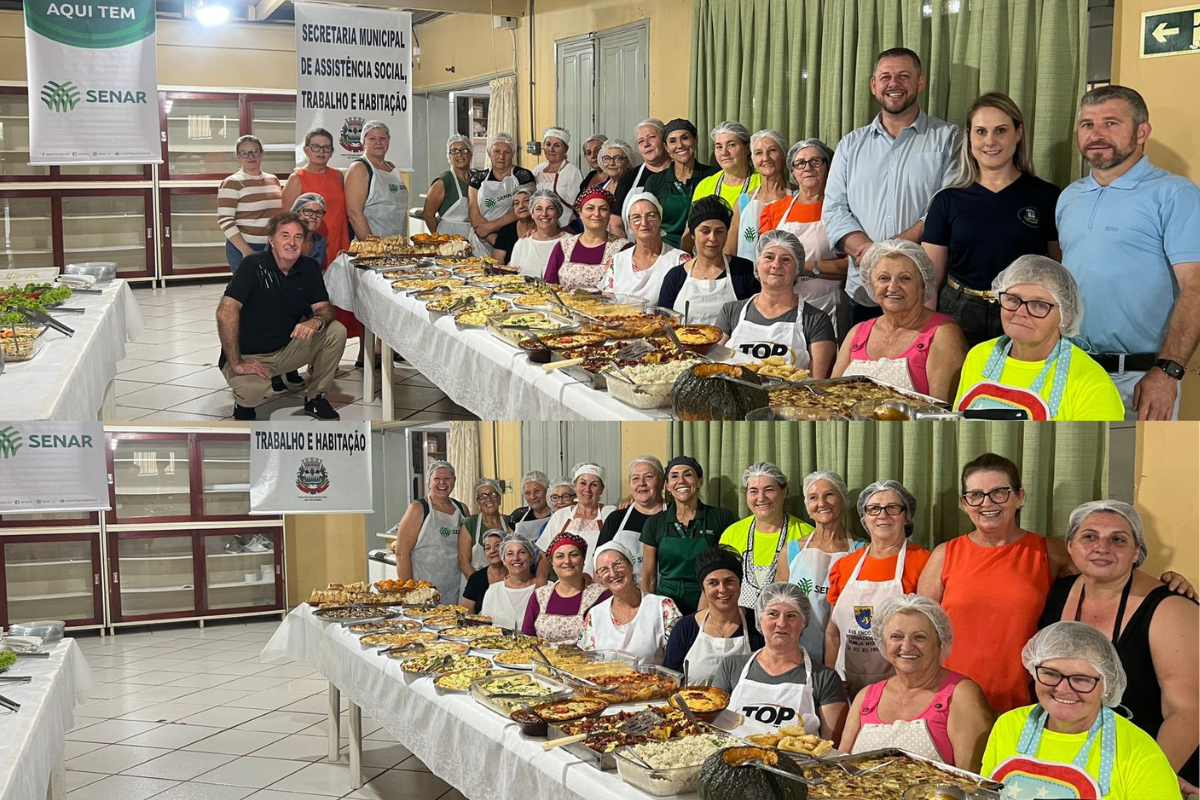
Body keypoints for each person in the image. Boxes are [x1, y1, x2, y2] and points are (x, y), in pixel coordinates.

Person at [1056, 86, 1200, 421]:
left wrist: (1168, 372)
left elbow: (1195, 286)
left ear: (1142, 132)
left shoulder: (1175, 194)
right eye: (1087, 124)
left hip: (1141, 379)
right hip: (1071, 372)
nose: (1096, 134)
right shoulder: (1069, 197)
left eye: (1111, 123)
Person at [1038, 501, 1199, 792]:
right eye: (1089, 536)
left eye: (1118, 539)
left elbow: (1188, 711)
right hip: (1078, 766)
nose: (1102, 547)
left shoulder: (1171, 608)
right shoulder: (1061, 591)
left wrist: (1150, 778)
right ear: (1071, 546)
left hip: (1150, 765)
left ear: (1137, 552)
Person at [822, 47, 960, 325]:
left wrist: (884, 253)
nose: (893, 84)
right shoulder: (850, 144)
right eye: (885, 77)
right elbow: (834, 209)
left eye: (904, 76)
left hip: (921, 291)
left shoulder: (948, 138)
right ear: (874, 85)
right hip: (863, 292)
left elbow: (946, 208)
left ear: (920, 82)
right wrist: (868, 252)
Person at [922, 93, 1062, 346]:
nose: (990, 141)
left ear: (1018, 133)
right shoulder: (946, 200)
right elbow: (930, 281)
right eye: (981, 131)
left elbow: (1058, 273)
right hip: (958, 312)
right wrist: (925, 338)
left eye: (1000, 131)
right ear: (969, 137)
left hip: (1024, 314)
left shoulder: (1047, 197)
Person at [981, 622, 1180, 799]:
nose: (1062, 689)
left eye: (1081, 679)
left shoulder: (1139, 750)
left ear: (1106, 685)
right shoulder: (1009, 725)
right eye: (1051, 674)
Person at [954, 256, 1124, 420]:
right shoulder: (979, 356)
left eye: (1039, 305)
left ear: (1066, 315)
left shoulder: (1092, 382)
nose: (1021, 312)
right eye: (1013, 299)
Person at [216, 212, 346, 421]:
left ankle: (316, 398)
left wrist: (315, 321)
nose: (292, 243)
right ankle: (243, 403)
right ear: (271, 240)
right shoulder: (252, 265)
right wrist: (236, 361)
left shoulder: (309, 267)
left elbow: (325, 308)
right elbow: (225, 312)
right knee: (252, 393)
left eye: (297, 237)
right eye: (285, 235)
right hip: (251, 355)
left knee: (335, 331)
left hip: (287, 349)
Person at [839, 594, 993, 770]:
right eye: (896, 636)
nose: (906, 646)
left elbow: (972, 779)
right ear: (883, 642)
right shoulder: (866, 696)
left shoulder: (961, 694)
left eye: (919, 637)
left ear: (939, 643)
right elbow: (840, 767)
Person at [825, 480, 932, 697]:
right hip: (846, 684)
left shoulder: (924, 563)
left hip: (903, 687)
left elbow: (930, 635)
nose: (882, 515)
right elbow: (833, 632)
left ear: (906, 516)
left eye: (892, 508)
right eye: (874, 508)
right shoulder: (844, 566)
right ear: (864, 517)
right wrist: (830, 681)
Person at [833, 239, 967, 402]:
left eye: (905, 278)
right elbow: (831, 396)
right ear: (871, 284)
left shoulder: (942, 333)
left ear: (923, 285)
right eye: (884, 278)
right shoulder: (857, 333)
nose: (893, 287)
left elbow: (942, 411)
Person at [713, 583, 849, 739]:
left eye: (791, 616)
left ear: (803, 622)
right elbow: (711, 727)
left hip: (794, 756)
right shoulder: (732, 667)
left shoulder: (825, 678)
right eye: (773, 614)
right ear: (760, 618)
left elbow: (831, 746)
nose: (782, 623)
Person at [760, 139, 851, 340]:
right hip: (783, 307)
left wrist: (807, 267)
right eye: (800, 163)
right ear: (793, 171)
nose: (808, 167)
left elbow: (854, 264)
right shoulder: (775, 210)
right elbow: (763, 263)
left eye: (815, 161)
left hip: (828, 305)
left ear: (828, 167)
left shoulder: (842, 210)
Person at [716, 229, 837, 377]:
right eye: (769, 257)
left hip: (791, 392)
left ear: (798, 268)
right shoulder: (731, 311)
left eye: (786, 259)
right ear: (757, 264)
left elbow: (817, 383)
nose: (776, 264)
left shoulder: (816, 320)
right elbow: (711, 365)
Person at [776, 471, 866, 662]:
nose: (822, 503)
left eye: (829, 495)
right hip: (798, 652)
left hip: (848, 654)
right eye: (813, 497)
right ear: (807, 506)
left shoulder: (863, 551)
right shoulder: (791, 551)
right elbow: (778, 603)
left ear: (843, 500)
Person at [641, 456, 737, 615]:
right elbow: (648, 577)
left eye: (688, 474)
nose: (681, 481)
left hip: (709, 601)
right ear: (668, 485)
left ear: (699, 481)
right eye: (674, 476)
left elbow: (730, 570)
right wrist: (646, 612)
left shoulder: (720, 518)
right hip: (665, 605)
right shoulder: (655, 523)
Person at [663, 546, 765, 682]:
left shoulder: (758, 625)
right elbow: (669, 682)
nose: (722, 589)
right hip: (692, 696)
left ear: (740, 584)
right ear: (703, 589)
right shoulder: (685, 629)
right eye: (713, 583)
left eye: (729, 581)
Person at [719, 461, 813, 608]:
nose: (761, 498)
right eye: (753, 491)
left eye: (769, 490)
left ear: (784, 491)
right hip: (738, 618)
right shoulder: (732, 533)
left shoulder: (807, 534)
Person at [656, 196, 760, 325]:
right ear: (693, 234)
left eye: (719, 231)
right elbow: (664, 326)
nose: (712, 238)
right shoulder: (675, 277)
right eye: (705, 231)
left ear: (727, 233)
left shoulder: (745, 272)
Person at [581, 542, 681, 664]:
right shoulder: (594, 615)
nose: (613, 573)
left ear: (631, 565)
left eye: (618, 564)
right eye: (604, 569)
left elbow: (677, 659)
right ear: (600, 578)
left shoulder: (663, 607)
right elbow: (588, 663)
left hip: (652, 677)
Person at [394, 461, 469, 604]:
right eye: (437, 478)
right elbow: (401, 553)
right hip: (424, 589)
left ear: (454, 481)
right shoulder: (418, 508)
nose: (442, 483)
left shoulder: (462, 509)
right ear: (429, 482)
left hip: (456, 587)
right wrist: (409, 591)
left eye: (447, 478)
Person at [644, 118, 720, 248]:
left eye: (685, 138)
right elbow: (647, 218)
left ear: (696, 140)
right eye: (673, 141)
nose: (680, 145)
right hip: (665, 249)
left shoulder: (713, 175)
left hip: (705, 246)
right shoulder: (655, 181)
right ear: (666, 147)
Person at [522, 532, 609, 643]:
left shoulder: (601, 595)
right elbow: (527, 640)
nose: (567, 561)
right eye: (560, 556)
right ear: (552, 563)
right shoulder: (539, 596)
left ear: (583, 560)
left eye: (574, 555)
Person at [536, 463, 617, 581]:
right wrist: (540, 585)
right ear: (574, 486)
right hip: (566, 586)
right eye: (583, 483)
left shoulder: (611, 514)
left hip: (604, 584)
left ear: (601, 490)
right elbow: (544, 557)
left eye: (594, 485)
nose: (587, 489)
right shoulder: (560, 516)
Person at [282, 127, 349, 268]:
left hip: (339, 242)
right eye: (316, 147)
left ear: (331, 152)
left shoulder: (338, 175)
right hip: (312, 246)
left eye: (326, 147)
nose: (321, 151)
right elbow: (286, 219)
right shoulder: (296, 179)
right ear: (306, 150)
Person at [602, 192, 685, 301]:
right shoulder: (617, 261)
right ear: (629, 224)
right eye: (636, 217)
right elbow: (607, 303)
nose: (644, 223)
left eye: (650, 215)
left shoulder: (679, 261)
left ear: (660, 219)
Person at [542, 188, 629, 290]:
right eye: (590, 208)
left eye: (603, 209)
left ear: (609, 214)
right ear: (580, 212)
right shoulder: (563, 247)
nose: (596, 214)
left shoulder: (623, 249)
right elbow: (549, 287)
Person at [217, 135, 282, 271]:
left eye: (255, 151)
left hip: (272, 246)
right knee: (248, 284)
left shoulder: (273, 180)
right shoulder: (232, 182)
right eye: (244, 153)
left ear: (262, 153)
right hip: (243, 247)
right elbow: (225, 220)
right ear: (238, 156)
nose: (250, 156)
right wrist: (246, 250)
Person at [596, 456, 665, 584]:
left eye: (648, 477)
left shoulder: (675, 517)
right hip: (623, 592)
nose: (641, 483)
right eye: (635, 478)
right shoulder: (617, 518)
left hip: (666, 593)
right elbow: (599, 564)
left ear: (662, 482)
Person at [467, 133, 537, 257]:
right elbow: (473, 211)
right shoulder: (477, 178)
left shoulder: (523, 176)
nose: (501, 157)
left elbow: (527, 207)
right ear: (489, 153)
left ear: (513, 154)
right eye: (496, 151)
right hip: (481, 240)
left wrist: (493, 231)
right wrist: (491, 237)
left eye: (507, 152)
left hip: (513, 238)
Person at [726, 129, 789, 262]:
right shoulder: (743, 202)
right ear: (754, 160)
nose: (766, 158)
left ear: (784, 155)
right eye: (759, 153)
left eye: (772, 150)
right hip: (748, 273)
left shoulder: (797, 197)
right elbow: (729, 251)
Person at [345, 120, 408, 240]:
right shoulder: (359, 168)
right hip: (373, 246)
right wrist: (373, 245)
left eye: (383, 138)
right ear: (363, 143)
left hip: (397, 244)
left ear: (388, 140)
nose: (378, 142)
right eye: (372, 139)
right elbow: (354, 214)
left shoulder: (392, 168)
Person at [613, 118, 672, 238]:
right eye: (640, 141)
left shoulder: (680, 173)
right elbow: (615, 222)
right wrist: (626, 247)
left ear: (664, 140)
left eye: (651, 137)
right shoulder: (630, 177)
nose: (646, 144)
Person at [693, 121, 762, 211]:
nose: (724, 152)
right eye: (719, 147)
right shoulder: (704, 186)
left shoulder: (763, 182)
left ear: (747, 148)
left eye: (731, 145)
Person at [420, 134, 475, 239]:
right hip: (449, 238)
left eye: (464, 150)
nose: (459, 154)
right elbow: (428, 214)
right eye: (454, 151)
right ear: (449, 156)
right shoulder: (442, 182)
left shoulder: (476, 180)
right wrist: (440, 238)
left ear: (471, 154)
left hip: (474, 237)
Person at [458, 478, 511, 587]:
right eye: (483, 496)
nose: (488, 499)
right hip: (475, 586)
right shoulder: (470, 524)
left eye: (493, 494)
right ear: (477, 502)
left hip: (505, 584)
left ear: (499, 499)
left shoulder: (510, 522)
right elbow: (463, 562)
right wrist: (481, 586)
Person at [509, 189, 567, 280]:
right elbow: (512, 279)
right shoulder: (522, 244)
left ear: (558, 212)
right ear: (532, 213)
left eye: (550, 208)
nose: (544, 214)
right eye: (539, 209)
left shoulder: (571, 242)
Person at [481, 535, 537, 629]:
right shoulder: (493, 591)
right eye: (510, 554)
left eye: (522, 552)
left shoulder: (546, 588)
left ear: (531, 557)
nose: (516, 558)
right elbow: (484, 628)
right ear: (503, 560)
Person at [532, 127, 584, 229]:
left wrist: (571, 228)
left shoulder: (572, 172)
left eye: (557, 145)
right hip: (539, 226)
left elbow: (578, 206)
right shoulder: (538, 169)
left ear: (566, 149)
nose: (551, 149)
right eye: (548, 144)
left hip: (565, 228)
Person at [462, 529, 507, 615]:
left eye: (497, 545)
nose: (492, 551)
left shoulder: (516, 575)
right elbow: (466, 613)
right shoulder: (476, 578)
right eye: (488, 548)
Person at [490, 184, 536, 266]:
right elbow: (497, 266)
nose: (521, 206)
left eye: (526, 201)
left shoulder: (545, 229)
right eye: (516, 203)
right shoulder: (505, 232)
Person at [509, 470, 554, 541]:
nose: (533, 497)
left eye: (537, 491)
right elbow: (509, 544)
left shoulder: (558, 514)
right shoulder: (518, 516)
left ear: (547, 491)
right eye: (527, 493)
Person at [290, 192, 328, 269]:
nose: (314, 216)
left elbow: (318, 272)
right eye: (308, 211)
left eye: (318, 213)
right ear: (297, 213)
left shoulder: (320, 241)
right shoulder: (285, 238)